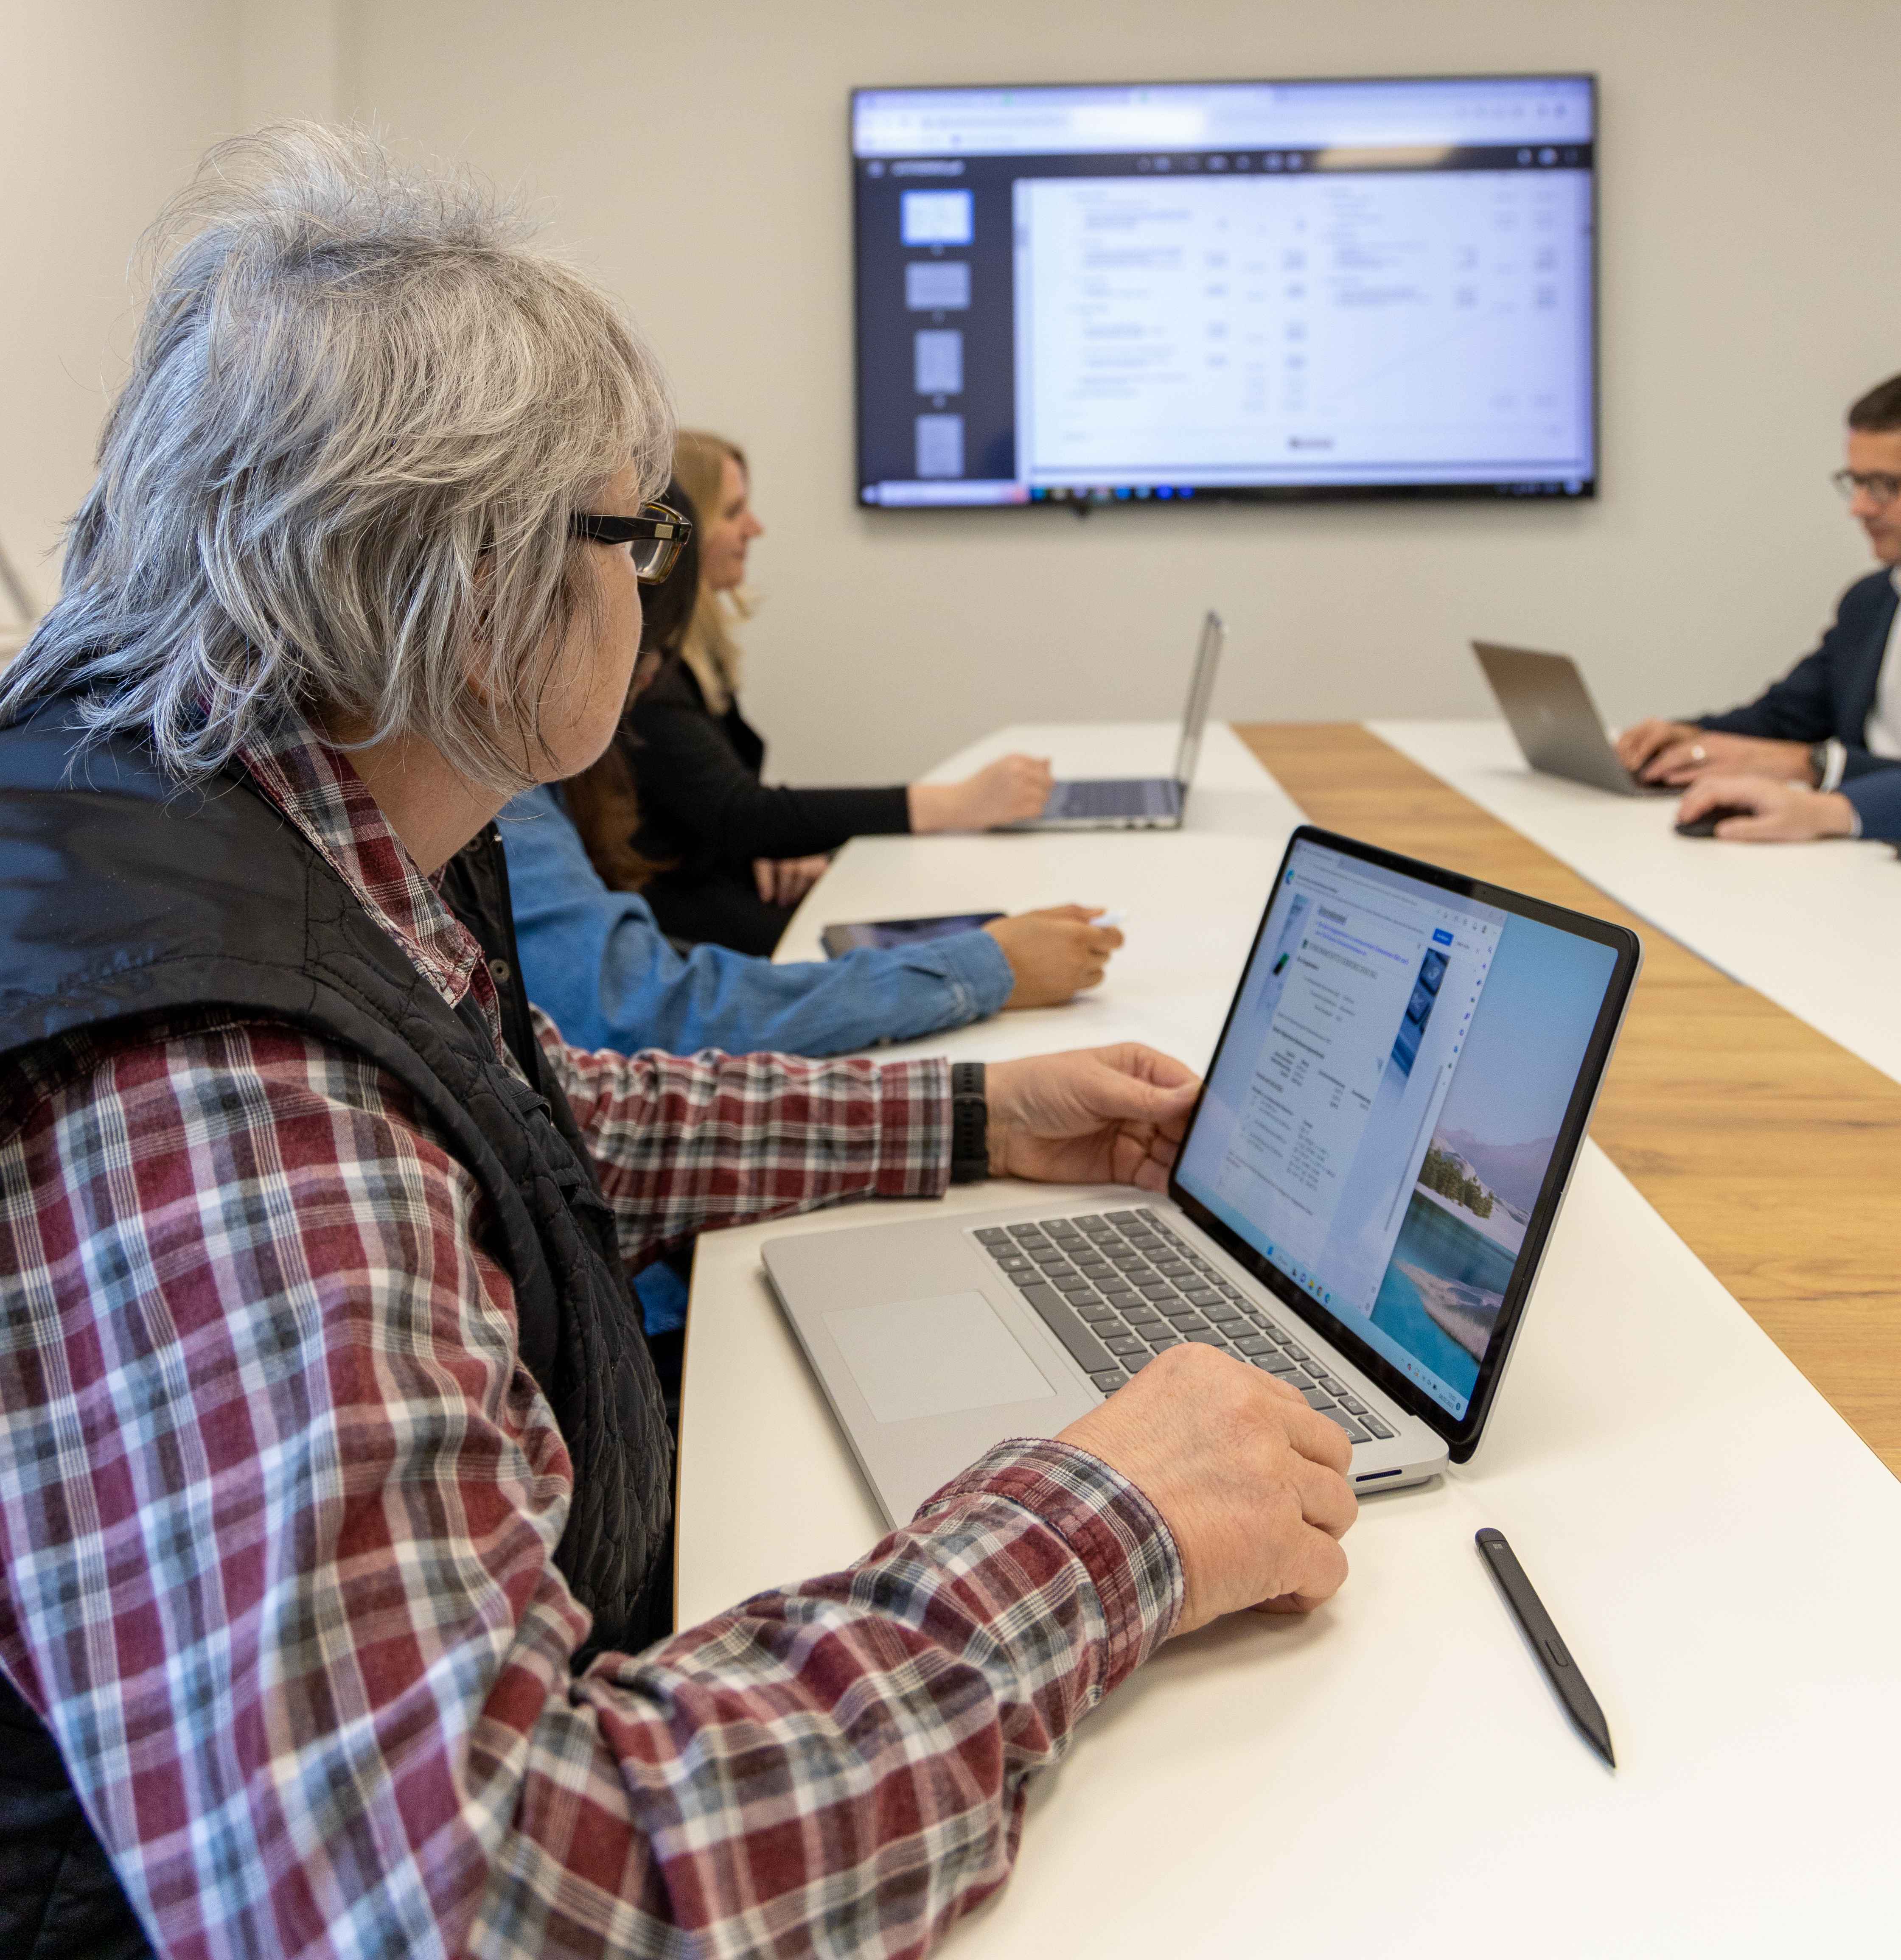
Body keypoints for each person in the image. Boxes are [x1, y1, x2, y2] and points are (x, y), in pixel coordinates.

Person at [0, 128, 1355, 1960]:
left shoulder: (209, 810)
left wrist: (967, 1114)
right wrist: (1108, 1521)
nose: (657, 583)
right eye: (636, 530)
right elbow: (478, 1897)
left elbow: (521, 1123)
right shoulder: (222, 1083)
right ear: (483, 586)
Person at [501, 476, 1121, 1356]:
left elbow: (618, 1124)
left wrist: (986, 1117)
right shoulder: (503, 805)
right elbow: (652, 1015)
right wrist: (981, 971)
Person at [627, 430, 1055, 951]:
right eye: (734, 512)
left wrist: (771, 844)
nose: (755, 528)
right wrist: (954, 803)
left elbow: (721, 809)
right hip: (679, 920)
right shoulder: (650, 677)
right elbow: (741, 814)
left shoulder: (694, 658)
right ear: (684, 532)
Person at [1616, 370, 1901, 845]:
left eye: (1885, 486)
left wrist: (1818, 774)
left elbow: (1804, 756)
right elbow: (1785, 717)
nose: (1860, 508)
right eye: (1856, 483)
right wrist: (1687, 735)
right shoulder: (1872, 601)